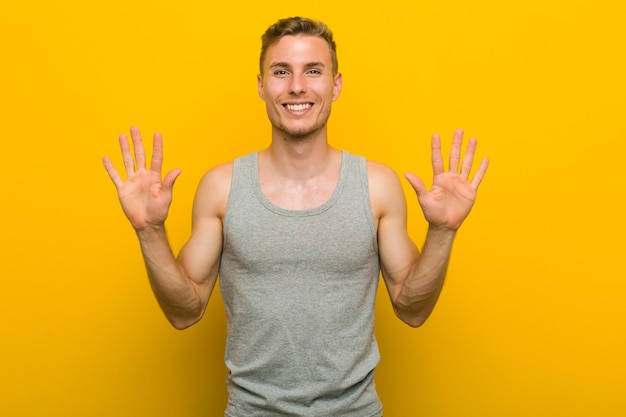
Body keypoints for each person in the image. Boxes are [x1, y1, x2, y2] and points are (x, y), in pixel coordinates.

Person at [103, 16, 488, 417]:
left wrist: (442, 231)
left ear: (336, 85)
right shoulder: (222, 187)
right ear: (261, 85)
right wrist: (149, 230)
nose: (297, 86)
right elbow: (184, 312)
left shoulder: (377, 186)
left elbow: (413, 309)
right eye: (281, 71)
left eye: (314, 71)